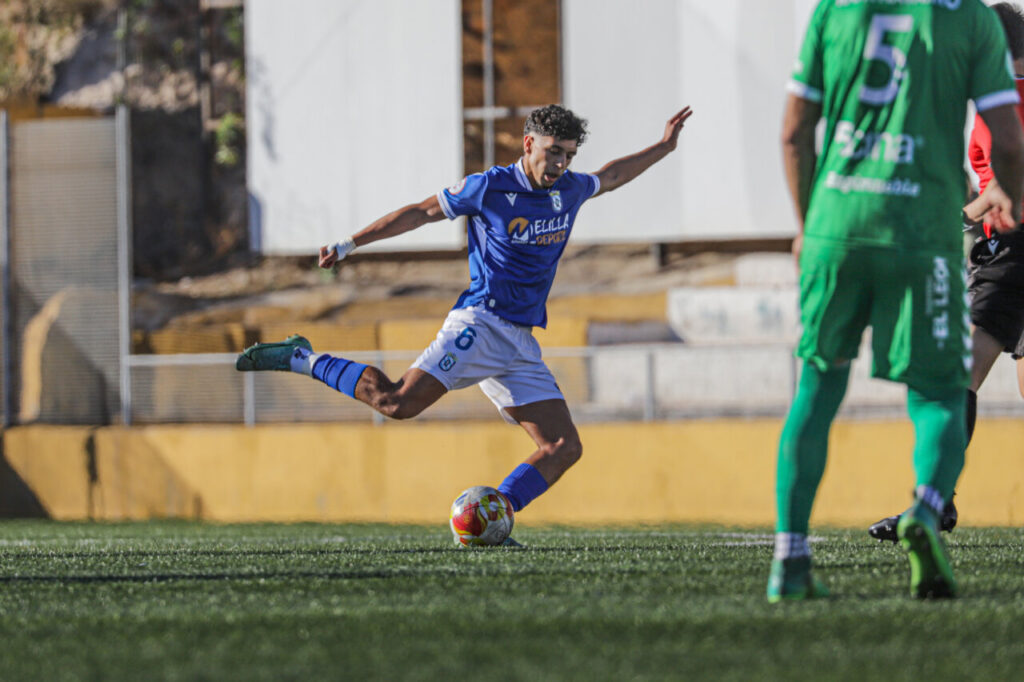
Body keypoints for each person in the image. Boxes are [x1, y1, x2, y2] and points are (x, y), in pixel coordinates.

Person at [236, 104, 694, 544]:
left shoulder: (569, 189)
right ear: (528, 143)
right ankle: (302, 356)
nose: (560, 163)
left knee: (562, 447)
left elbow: (612, 175)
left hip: (519, 341)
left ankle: (493, 516)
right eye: (554, 151)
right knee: (396, 402)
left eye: (569, 155)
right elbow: (420, 212)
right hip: (480, 322)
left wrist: (664, 147)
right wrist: (350, 243)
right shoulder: (489, 187)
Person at [771, 0, 1024, 601]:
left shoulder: (835, 11)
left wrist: (807, 223)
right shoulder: (969, 20)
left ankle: (791, 561)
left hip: (837, 219)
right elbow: (1008, 142)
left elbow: (791, 131)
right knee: (940, 387)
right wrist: (1001, 195)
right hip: (920, 228)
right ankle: (928, 506)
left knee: (816, 386)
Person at [867, 1, 1024, 544]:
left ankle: (935, 505)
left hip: (1012, 252)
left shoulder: (1009, 100)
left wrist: (960, 219)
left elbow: (1012, 186)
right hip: (1008, 250)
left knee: (957, 377)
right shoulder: (1003, 98)